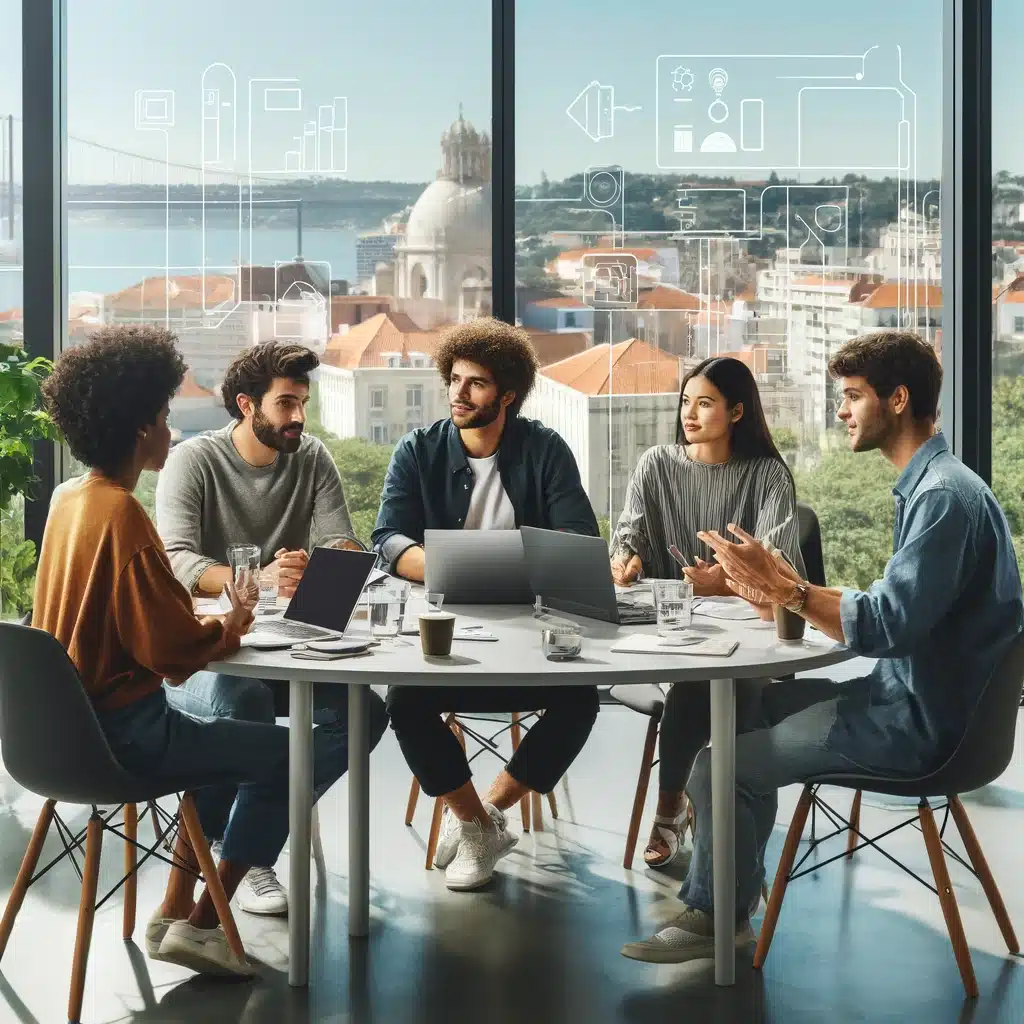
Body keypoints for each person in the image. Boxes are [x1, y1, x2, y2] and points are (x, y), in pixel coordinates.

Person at [621, 330, 1024, 964]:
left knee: (717, 765)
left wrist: (790, 587)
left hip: (920, 725)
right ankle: (735, 897)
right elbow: (902, 604)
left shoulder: (943, 498)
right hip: (916, 700)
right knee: (743, 714)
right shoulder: (938, 484)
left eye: (852, 396)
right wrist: (778, 588)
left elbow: (888, 624)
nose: (840, 411)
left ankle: (715, 918)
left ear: (897, 400)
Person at [32, 325, 349, 976]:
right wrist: (232, 622)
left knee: (245, 733)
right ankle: (203, 923)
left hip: (61, 738)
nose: (171, 428)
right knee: (289, 757)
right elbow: (171, 650)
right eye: (165, 415)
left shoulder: (70, 501)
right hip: (130, 735)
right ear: (143, 425)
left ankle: (178, 909)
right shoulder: (122, 514)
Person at [153, 340, 387, 916]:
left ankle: (243, 839)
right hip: (207, 660)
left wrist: (329, 563)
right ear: (246, 404)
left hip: (288, 644)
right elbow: (177, 560)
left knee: (363, 712)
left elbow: (341, 541)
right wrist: (251, 578)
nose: (298, 417)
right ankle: (246, 851)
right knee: (247, 700)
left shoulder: (313, 458)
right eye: (285, 403)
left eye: (303, 402)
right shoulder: (194, 461)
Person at [372, 317, 600, 891]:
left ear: (508, 395)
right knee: (405, 702)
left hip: (529, 638)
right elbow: (387, 540)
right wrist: (459, 565)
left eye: (475, 383)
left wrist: (454, 560)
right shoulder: (417, 450)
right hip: (448, 634)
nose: (458, 392)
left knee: (581, 701)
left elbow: (574, 541)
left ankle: (484, 814)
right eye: (453, 378)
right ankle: (474, 823)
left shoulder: (545, 449)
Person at [609, 356, 804, 869]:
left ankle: (678, 811)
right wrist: (625, 559)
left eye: (704, 403)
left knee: (710, 688)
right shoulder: (657, 463)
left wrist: (729, 584)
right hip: (674, 631)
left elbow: (780, 568)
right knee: (701, 686)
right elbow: (630, 534)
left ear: (737, 411)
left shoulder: (767, 475)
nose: (688, 414)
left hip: (753, 635)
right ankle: (723, 842)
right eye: (685, 402)